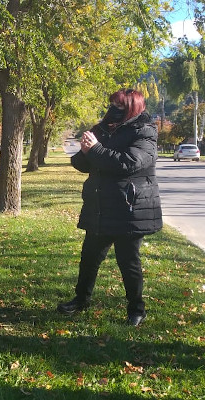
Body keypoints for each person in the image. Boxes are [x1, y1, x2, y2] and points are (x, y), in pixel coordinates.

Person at [57, 88, 162, 327]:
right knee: (89, 258)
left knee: (128, 261)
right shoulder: (101, 129)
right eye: (111, 104)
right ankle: (81, 300)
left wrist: (95, 150)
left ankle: (136, 309)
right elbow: (82, 164)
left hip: (129, 209)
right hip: (100, 206)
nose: (113, 110)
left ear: (133, 107)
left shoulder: (144, 131)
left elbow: (130, 163)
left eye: (119, 106)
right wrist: (85, 152)